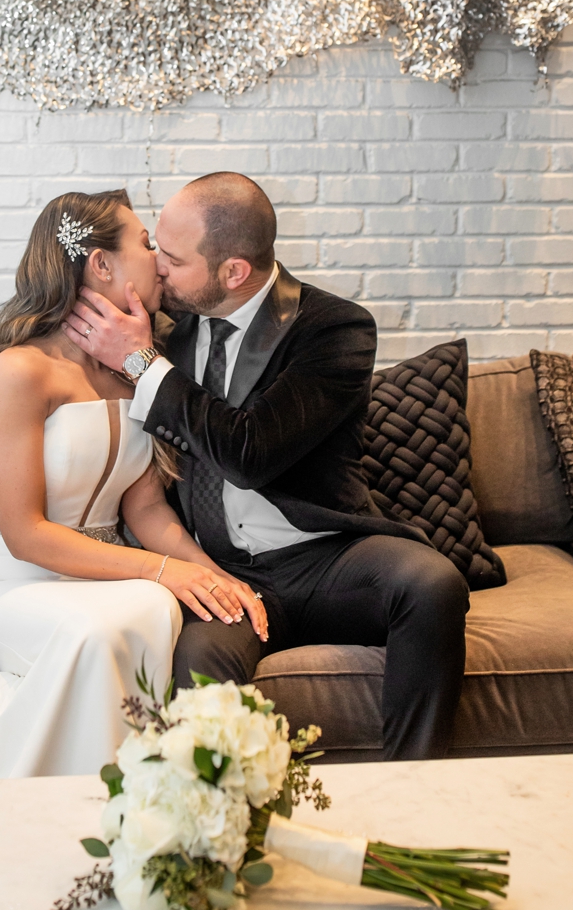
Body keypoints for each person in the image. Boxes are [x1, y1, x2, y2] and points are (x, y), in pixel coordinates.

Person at [0, 191, 268, 784]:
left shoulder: (139, 370)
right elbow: (25, 536)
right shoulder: (18, 372)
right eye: (145, 244)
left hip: (88, 582)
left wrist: (208, 575)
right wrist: (162, 571)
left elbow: (148, 507)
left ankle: (129, 802)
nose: (158, 260)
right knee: (104, 627)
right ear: (100, 265)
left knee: (153, 609)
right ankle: (69, 811)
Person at [68, 172, 469, 759]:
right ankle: (217, 824)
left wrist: (142, 362)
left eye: (173, 259)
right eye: (154, 246)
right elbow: (49, 420)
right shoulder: (159, 334)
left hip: (327, 558)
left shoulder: (333, 329)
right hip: (224, 567)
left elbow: (251, 455)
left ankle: (414, 787)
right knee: (199, 657)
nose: (156, 268)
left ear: (233, 272)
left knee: (432, 584)